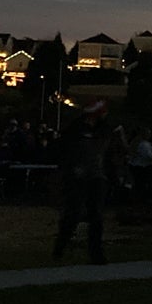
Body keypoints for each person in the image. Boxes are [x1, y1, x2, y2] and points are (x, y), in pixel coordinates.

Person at [54, 98, 112, 264]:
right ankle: (61, 245)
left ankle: (96, 253)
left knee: (96, 216)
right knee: (73, 214)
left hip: (96, 176)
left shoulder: (103, 130)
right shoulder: (76, 130)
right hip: (77, 177)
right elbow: (64, 151)